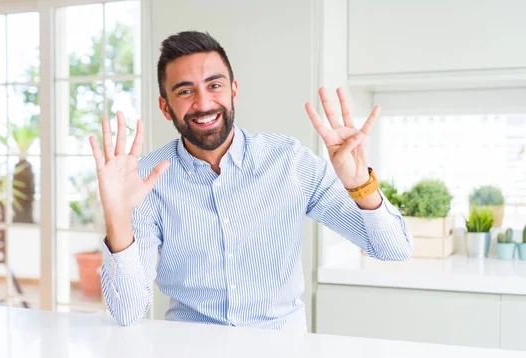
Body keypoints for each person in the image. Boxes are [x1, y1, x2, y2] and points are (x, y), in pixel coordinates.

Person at [90, 31, 413, 332]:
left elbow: (395, 250)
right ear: (165, 107)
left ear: (234, 91)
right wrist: (118, 215)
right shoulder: (145, 180)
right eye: (185, 91)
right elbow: (128, 311)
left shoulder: (290, 162)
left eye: (214, 85)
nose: (203, 103)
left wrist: (360, 184)